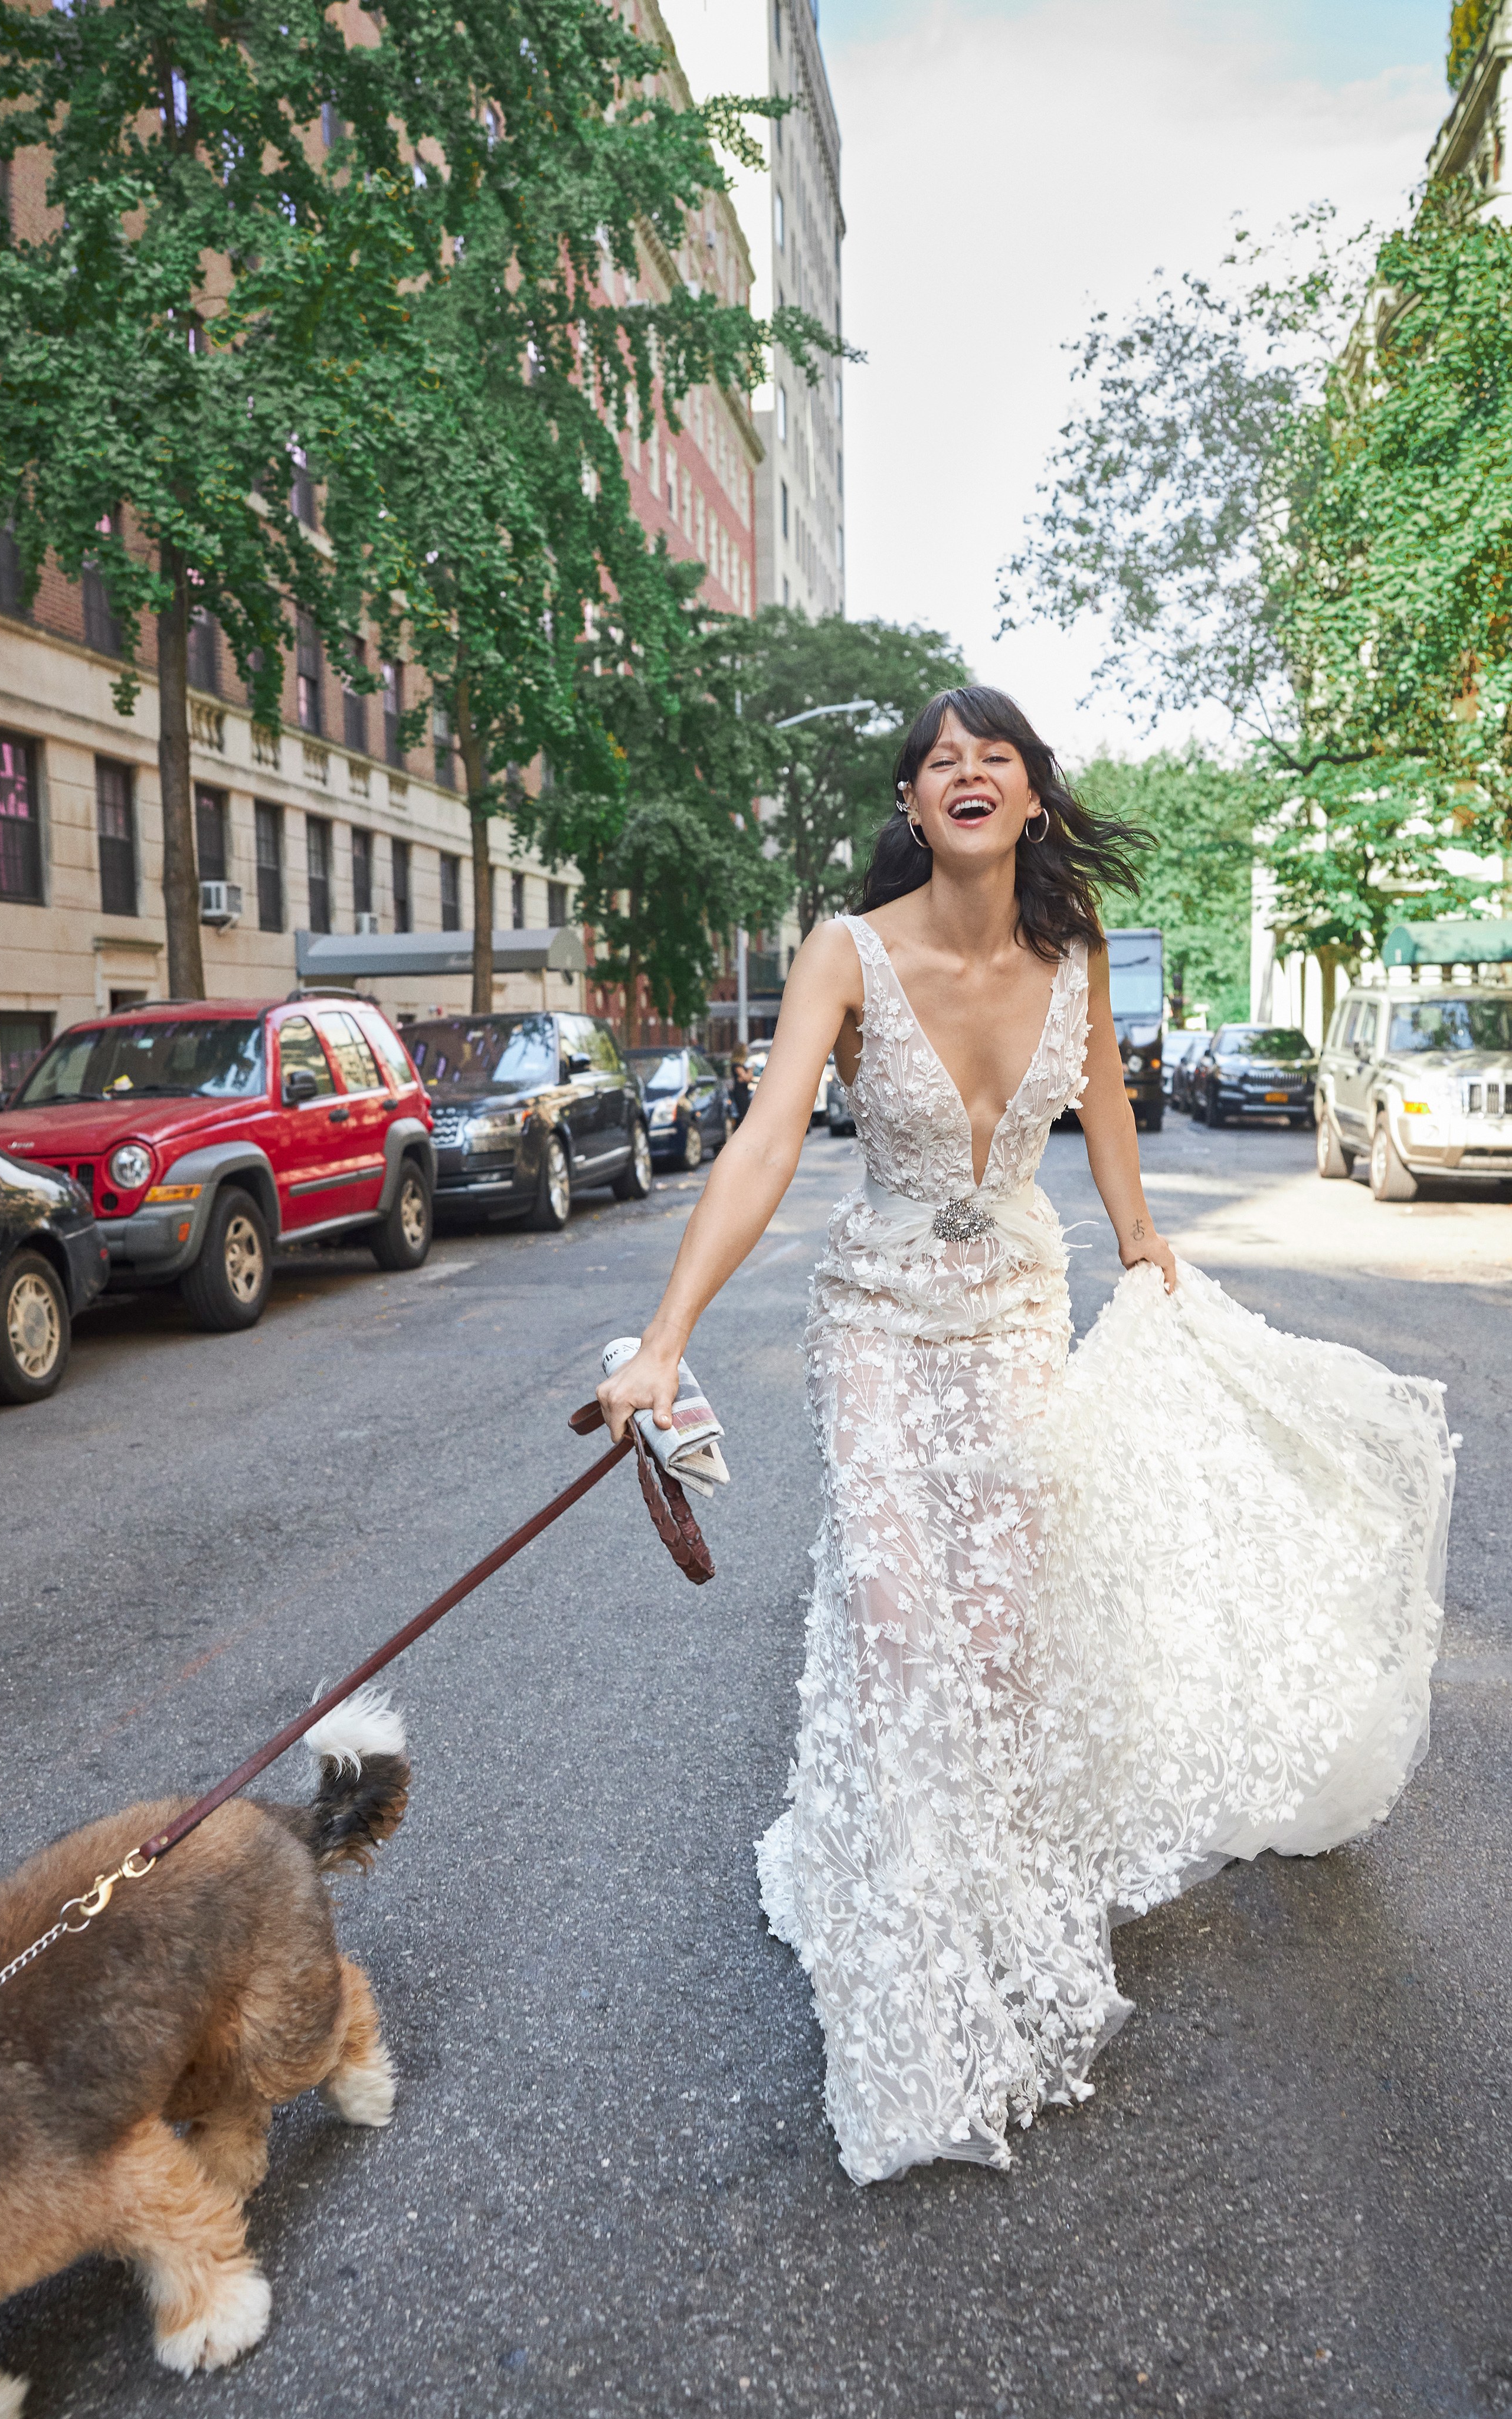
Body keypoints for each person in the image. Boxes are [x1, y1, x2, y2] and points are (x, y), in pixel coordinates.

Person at [598, 685, 1454, 2186]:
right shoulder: (843, 954)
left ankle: (993, 1900)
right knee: (895, 1615)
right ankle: (909, 1978)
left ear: (1031, 798)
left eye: (992, 754)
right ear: (915, 810)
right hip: (873, 1319)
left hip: (1010, 1318)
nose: (966, 771)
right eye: (939, 762)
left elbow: (1108, 1105)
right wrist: (665, 1340)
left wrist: (1147, 1259)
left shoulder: (1077, 954)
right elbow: (769, 1138)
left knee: (996, 1634)